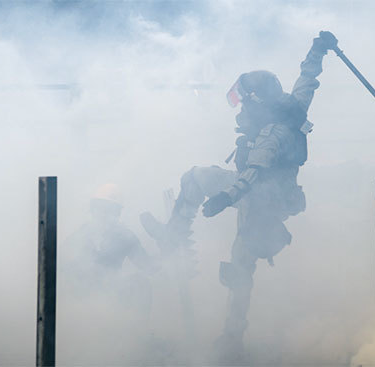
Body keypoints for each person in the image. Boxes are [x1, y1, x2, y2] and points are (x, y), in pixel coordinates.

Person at [141, 31, 338, 361]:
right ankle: (231, 339)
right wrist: (317, 50)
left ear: (257, 103)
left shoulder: (270, 133)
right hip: (271, 201)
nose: (242, 108)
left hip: (256, 200)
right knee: (241, 269)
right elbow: (307, 79)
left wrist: (225, 198)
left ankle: (174, 236)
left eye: (246, 102)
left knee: (197, 182)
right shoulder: (293, 108)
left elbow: (254, 173)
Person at [63, 183, 154, 313]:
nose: (104, 213)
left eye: (109, 209)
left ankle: (136, 328)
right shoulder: (80, 235)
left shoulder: (125, 237)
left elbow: (147, 265)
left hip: (112, 297)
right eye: (100, 208)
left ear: (117, 213)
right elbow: (59, 263)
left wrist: (172, 257)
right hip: (80, 300)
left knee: (141, 283)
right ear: (93, 209)